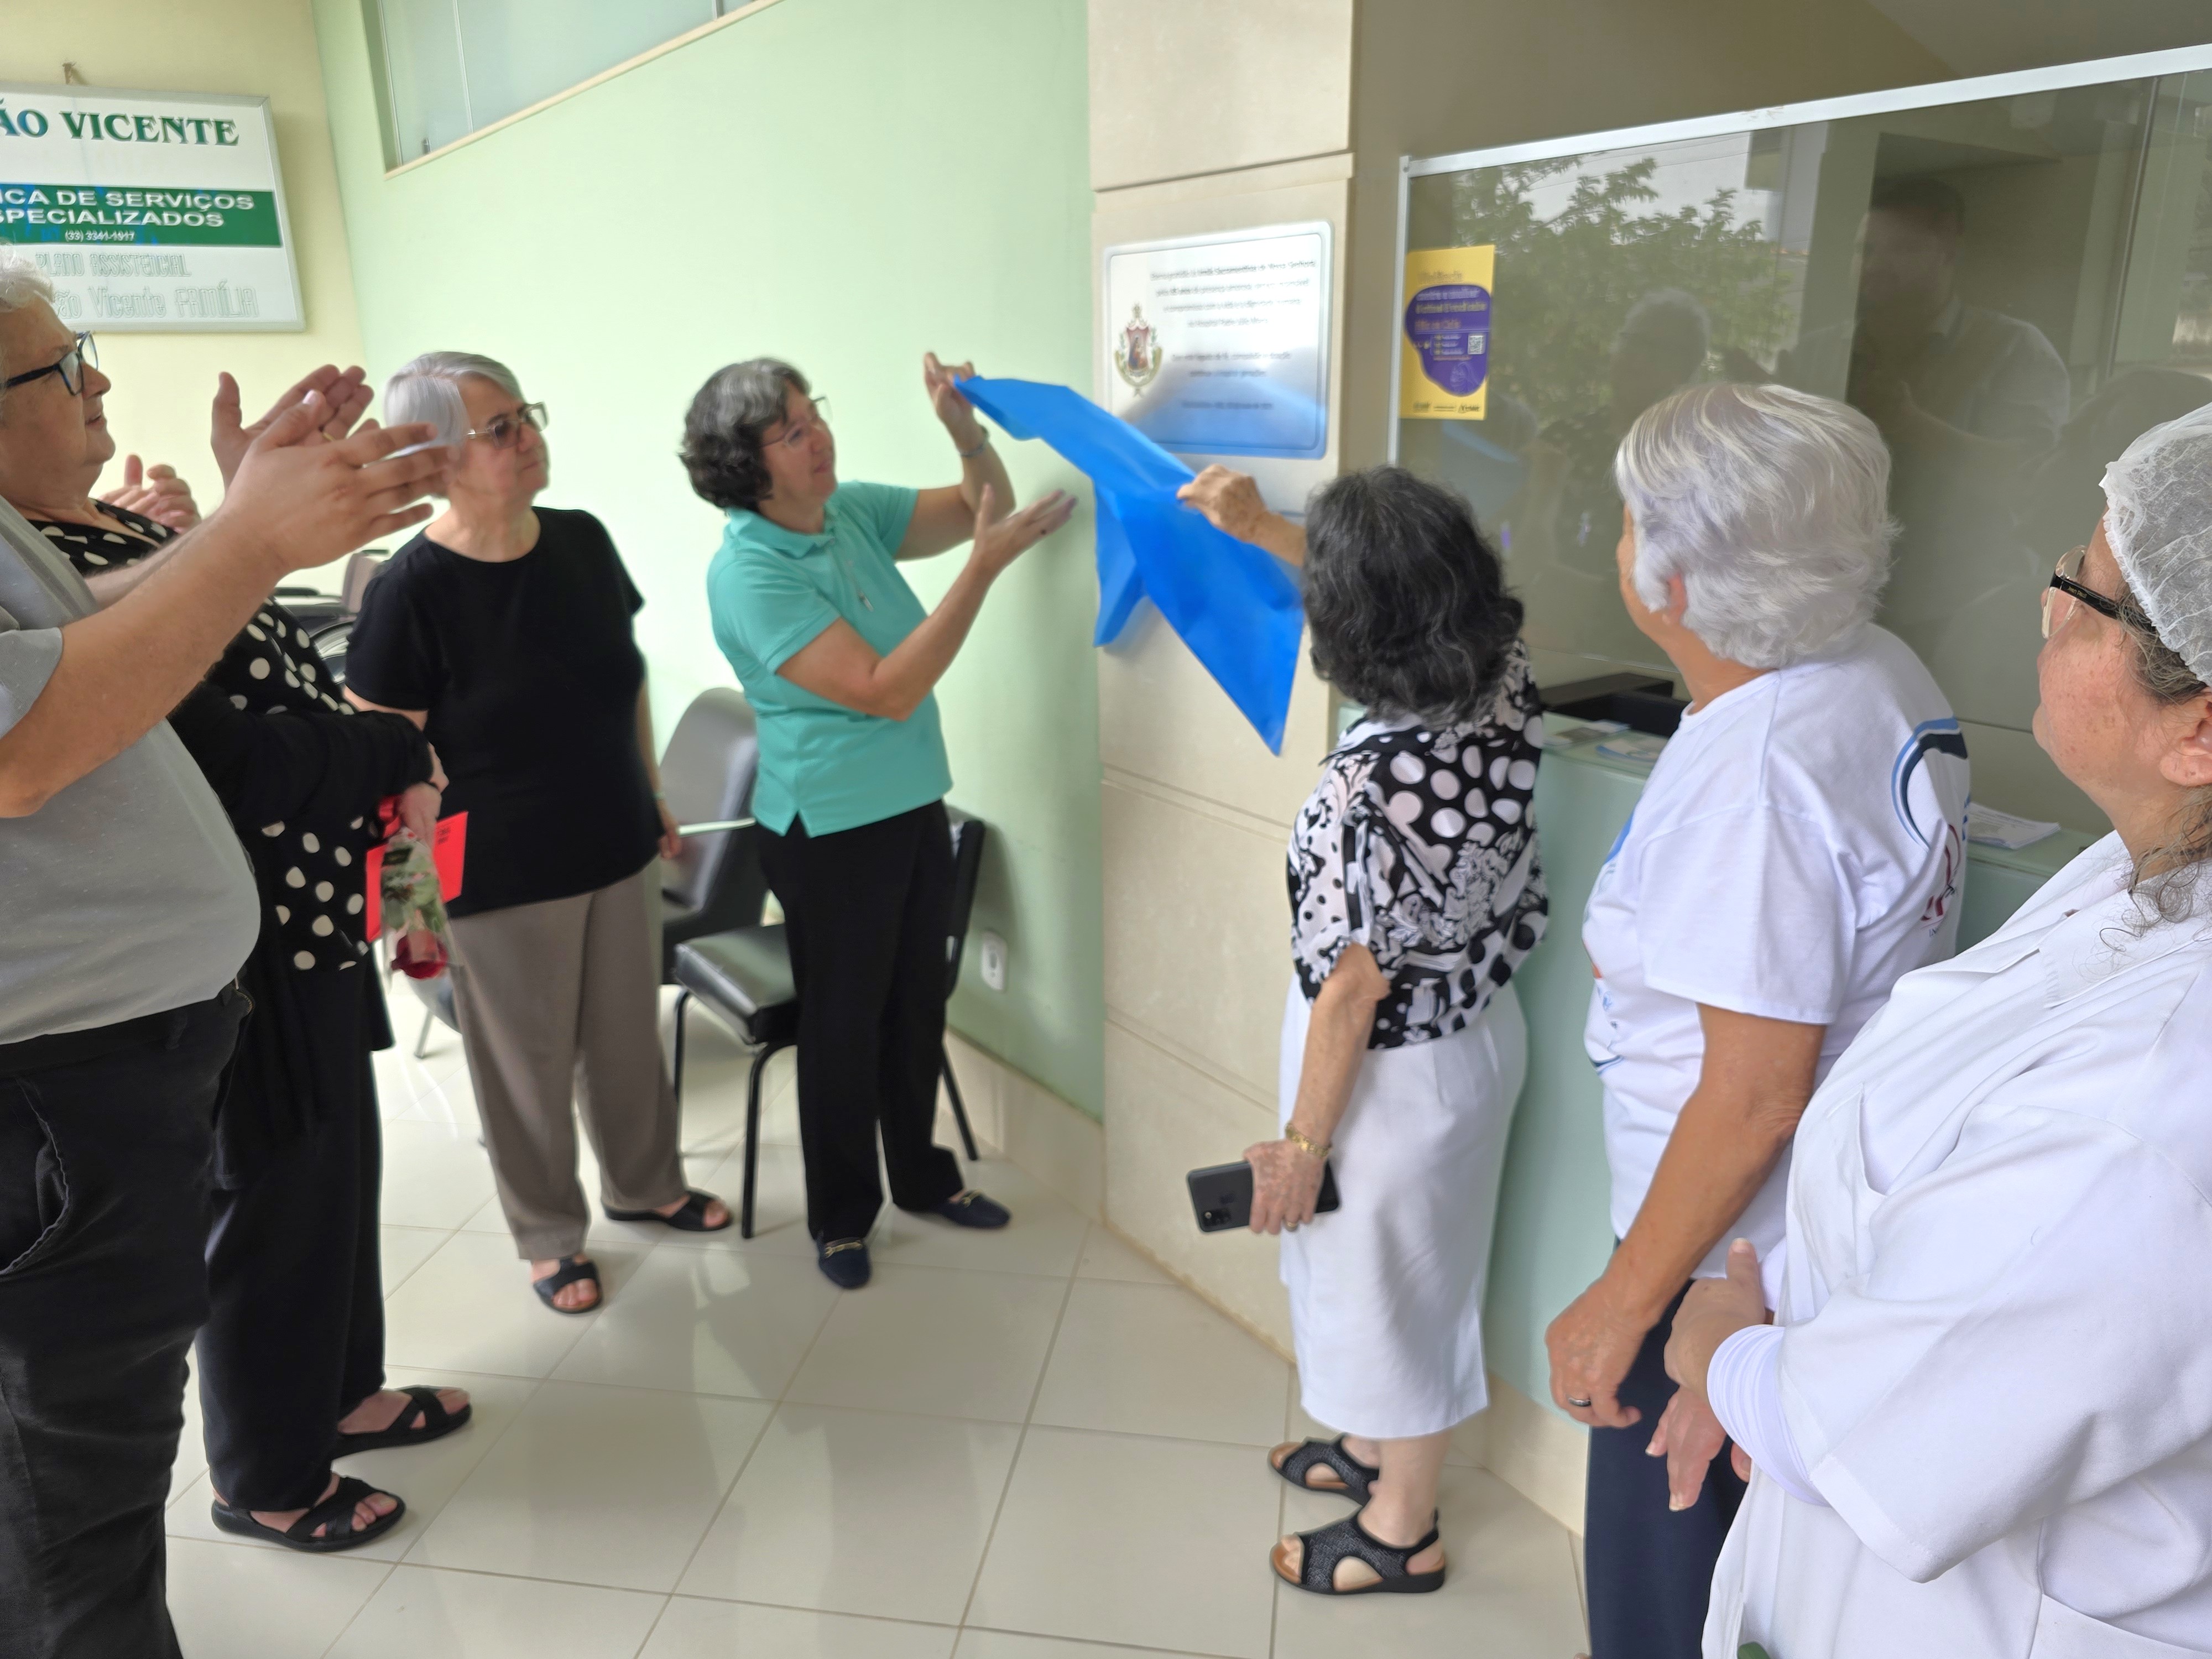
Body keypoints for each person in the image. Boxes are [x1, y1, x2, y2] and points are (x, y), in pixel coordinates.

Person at [1665, 404, 2212, 1658]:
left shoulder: (2153, 1100)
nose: (2048, 605)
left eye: (2087, 592)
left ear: (2198, 731)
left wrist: (1718, 1354)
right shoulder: (2136, 872)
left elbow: (1882, 1427)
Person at [0, 252, 445, 1654]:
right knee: (69, 1532)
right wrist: (260, 543)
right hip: (65, 1075)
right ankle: (275, 1471)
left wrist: (251, 512)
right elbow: (63, 745)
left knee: (314, 1194)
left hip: (174, 1009)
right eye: (66, 369)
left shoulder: (56, 533)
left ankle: (329, 1402)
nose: (99, 386)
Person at [1543, 382, 1970, 1658]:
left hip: (1720, 1269)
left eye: (1628, 523)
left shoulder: (1761, 782)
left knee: (1665, 1607)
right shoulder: (1869, 671)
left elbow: (1749, 1093)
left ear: (1668, 581)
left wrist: (1624, 1306)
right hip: (1795, 1243)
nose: (1617, 544)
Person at [1180, 463, 1547, 1596]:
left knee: (1394, 1292)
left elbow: (1348, 990)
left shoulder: (1360, 793)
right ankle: (1374, 1452)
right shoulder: (1503, 681)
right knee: (1387, 1274)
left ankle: (1403, 1527)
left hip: (1385, 1071)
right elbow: (1399, 588)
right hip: (1471, 1034)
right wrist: (1262, 531)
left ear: (1345, 629)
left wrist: (1300, 1147)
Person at [346, 352, 727, 1316]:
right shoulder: (410, 592)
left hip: (614, 840)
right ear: (436, 455)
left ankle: (647, 1186)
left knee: (626, 1039)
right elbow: (382, 770)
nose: (528, 438)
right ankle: (550, 1239)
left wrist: (653, 793)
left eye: (526, 416)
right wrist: (405, 908)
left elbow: (626, 679)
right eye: (500, 427)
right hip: (499, 875)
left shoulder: (581, 541)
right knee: (527, 1069)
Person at [690, 354, 1072, 1287]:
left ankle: (925, 1179)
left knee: (919, 1000)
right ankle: (842, 1218)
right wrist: (980, 574)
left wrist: (964, 431)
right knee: (844, 1021)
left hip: (909, 804)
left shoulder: (846, 509)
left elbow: (978, 503)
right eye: (789, 431)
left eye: (811, 412)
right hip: (826, 829)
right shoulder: (748, 574)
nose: (816, 434)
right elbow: (884, 689)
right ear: (748, 466)